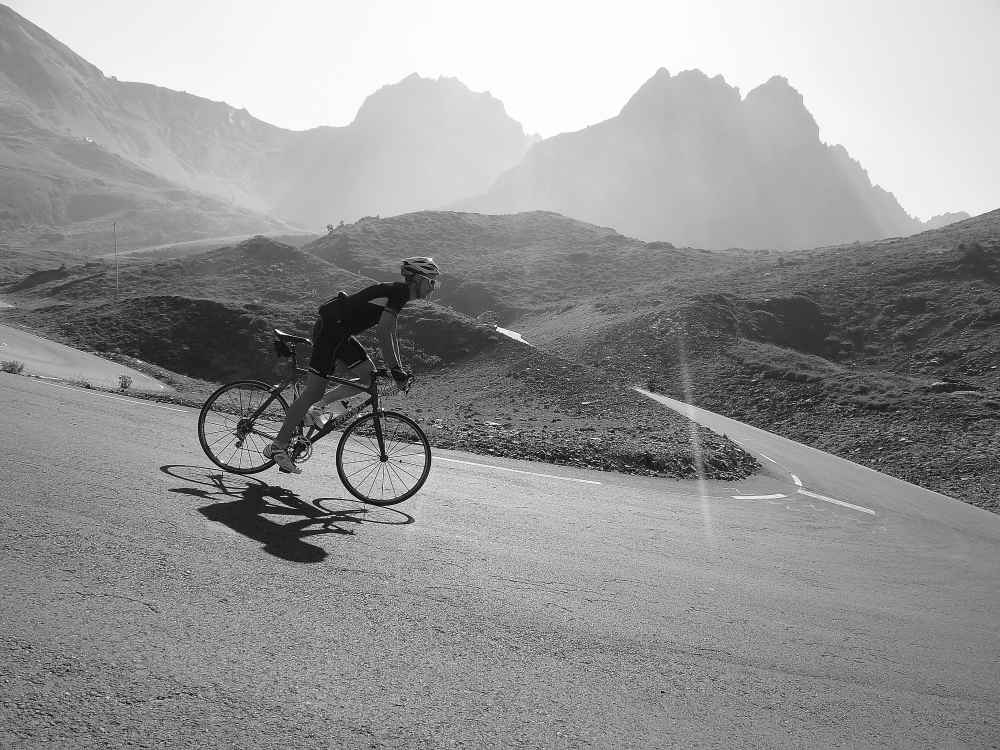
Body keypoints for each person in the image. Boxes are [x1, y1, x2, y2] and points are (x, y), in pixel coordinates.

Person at [264, 256, 441, 473]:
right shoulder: (399, 292)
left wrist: (398, 369)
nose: (433, 288)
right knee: (313, 391)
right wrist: (396, 370)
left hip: (341, 332)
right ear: (417, 280)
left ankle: (319, 408)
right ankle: (278, 446)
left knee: (369, 378)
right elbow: (384, 332)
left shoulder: (399, 295)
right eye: (431, 282)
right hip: (330, 331)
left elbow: (391, 334)